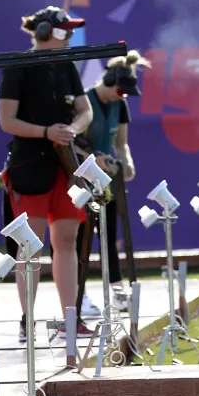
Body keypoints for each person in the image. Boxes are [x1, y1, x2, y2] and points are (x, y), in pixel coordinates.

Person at [0, 6, 95, 342]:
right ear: (43, 32)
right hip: (30, 165)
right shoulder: (18, 67)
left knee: (66, 242)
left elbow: (85, 111)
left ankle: (71, 318)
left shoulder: (66, 65)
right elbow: (7, 121)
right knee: (30, 247)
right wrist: (46, 132)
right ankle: (28, 320)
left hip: (64, 166)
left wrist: (71, 129)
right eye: (64, 31)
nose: (69, 37)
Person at [74, 52, 149, 317]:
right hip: (80, 179)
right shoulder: (84, 100)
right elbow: (71, 140)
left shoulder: (120, 105)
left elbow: (121, 144)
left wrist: (126, 162)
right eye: (120, 89)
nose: (122, 95)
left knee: (109, 236)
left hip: (107, 180)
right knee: (78, 240)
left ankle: (117, 291)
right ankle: (77, 296)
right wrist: (93, 157)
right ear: (108, 81)